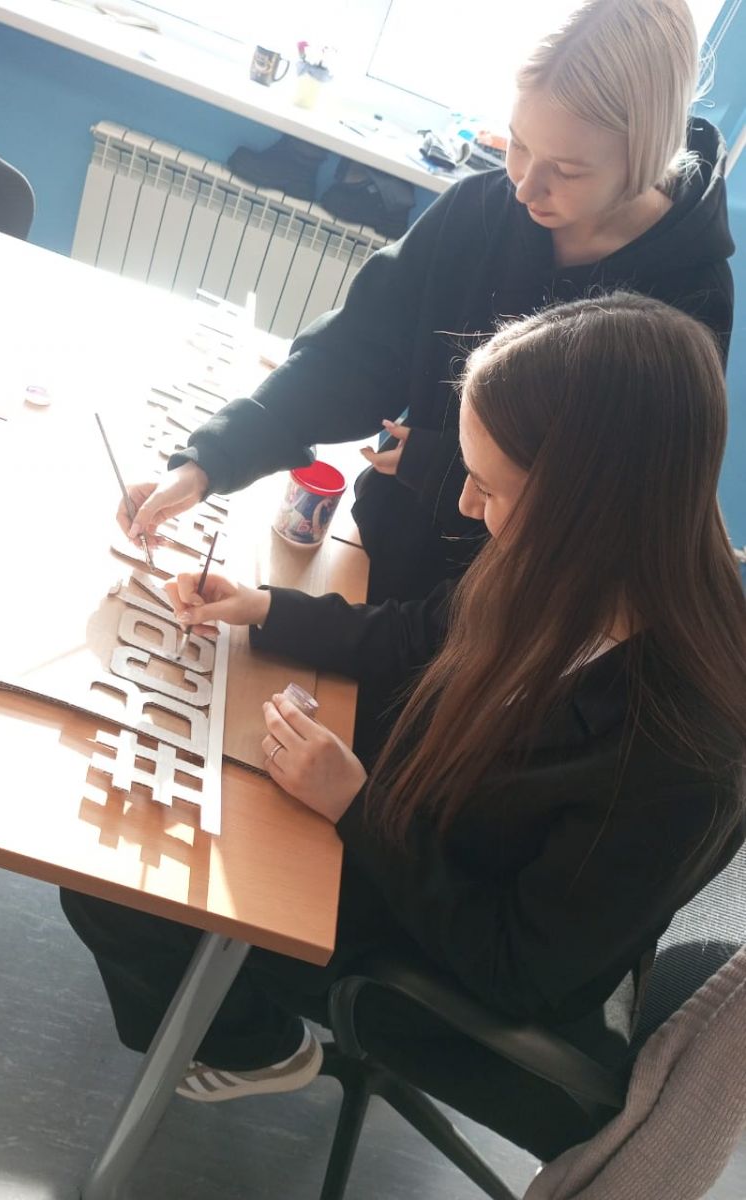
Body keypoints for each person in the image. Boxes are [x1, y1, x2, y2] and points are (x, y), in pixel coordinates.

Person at [61, 294, 746, 1160]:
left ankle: (253, 1048)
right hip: (427, 832)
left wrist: (355, 806)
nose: (464, 503)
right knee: (170, 789)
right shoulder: (583, 565)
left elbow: (515, 969)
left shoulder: (677, 753)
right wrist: (265, 609)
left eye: (490, 487)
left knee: (118, 877)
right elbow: (428, 631)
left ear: (587, 501)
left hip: (444, 954)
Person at [120, 0, 735, 606]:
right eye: (519, 144)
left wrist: (446, 468)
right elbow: (353, 356)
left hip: (511, 616)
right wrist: (210, 461)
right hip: (383, 553)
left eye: (567, 171)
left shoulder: (690, 296)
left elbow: (619, 509)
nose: (525, 186)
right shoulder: (477, 210)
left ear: (644, 155)